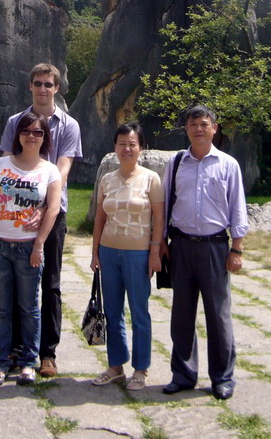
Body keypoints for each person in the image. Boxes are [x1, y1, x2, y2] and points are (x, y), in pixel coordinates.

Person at [0, 63, 82, 378]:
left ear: (56, 88)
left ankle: (47, 354)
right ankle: (18, 350)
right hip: (17, 213)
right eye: (38, 83)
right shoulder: (15, 122)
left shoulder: (69, 126)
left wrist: (42, 194)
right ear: (30, 86)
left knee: (51, 284)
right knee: (18, 284)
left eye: (49, 84)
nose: (43, 89)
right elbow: (7, 164)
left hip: (52, 212)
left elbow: (63, 166)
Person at [160, 105, 247, 401]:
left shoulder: (227, 164)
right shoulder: (176, 163)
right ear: (186, 128)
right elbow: (164, 203)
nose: (198, 129)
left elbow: (238, 209)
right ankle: (183, 374)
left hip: (215, 247)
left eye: (204, 124)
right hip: (181, 246)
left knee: (218, 315)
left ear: (214, 128)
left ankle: (222, 378)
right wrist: (161, 242)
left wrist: (237, 248)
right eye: (193, 124)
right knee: (181, 314)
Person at [0, 111, 62, 387]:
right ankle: (0, 362)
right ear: (18, 135)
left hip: (28, 249)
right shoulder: (2, 164)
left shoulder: (50, 170)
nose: (31, 136)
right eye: (26, 131)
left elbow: (54, 208)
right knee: (1, 309)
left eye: (38, 132)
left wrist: (39, 244)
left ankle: (28, 362)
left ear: (44, 137)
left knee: (29, 308)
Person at [89, 122, 164, 391]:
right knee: (112, 311)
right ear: (115, 148)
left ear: (141, 148)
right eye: (122, 143)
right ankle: (116, 365)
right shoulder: (107, 179)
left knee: (140, 312)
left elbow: (159, 217)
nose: (127, 148)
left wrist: (155, 251)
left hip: (138, 254)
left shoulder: (151, 178)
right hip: (109, 253)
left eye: (132, 144)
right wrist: (95, 251)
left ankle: (141, 369)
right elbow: (100, 217)